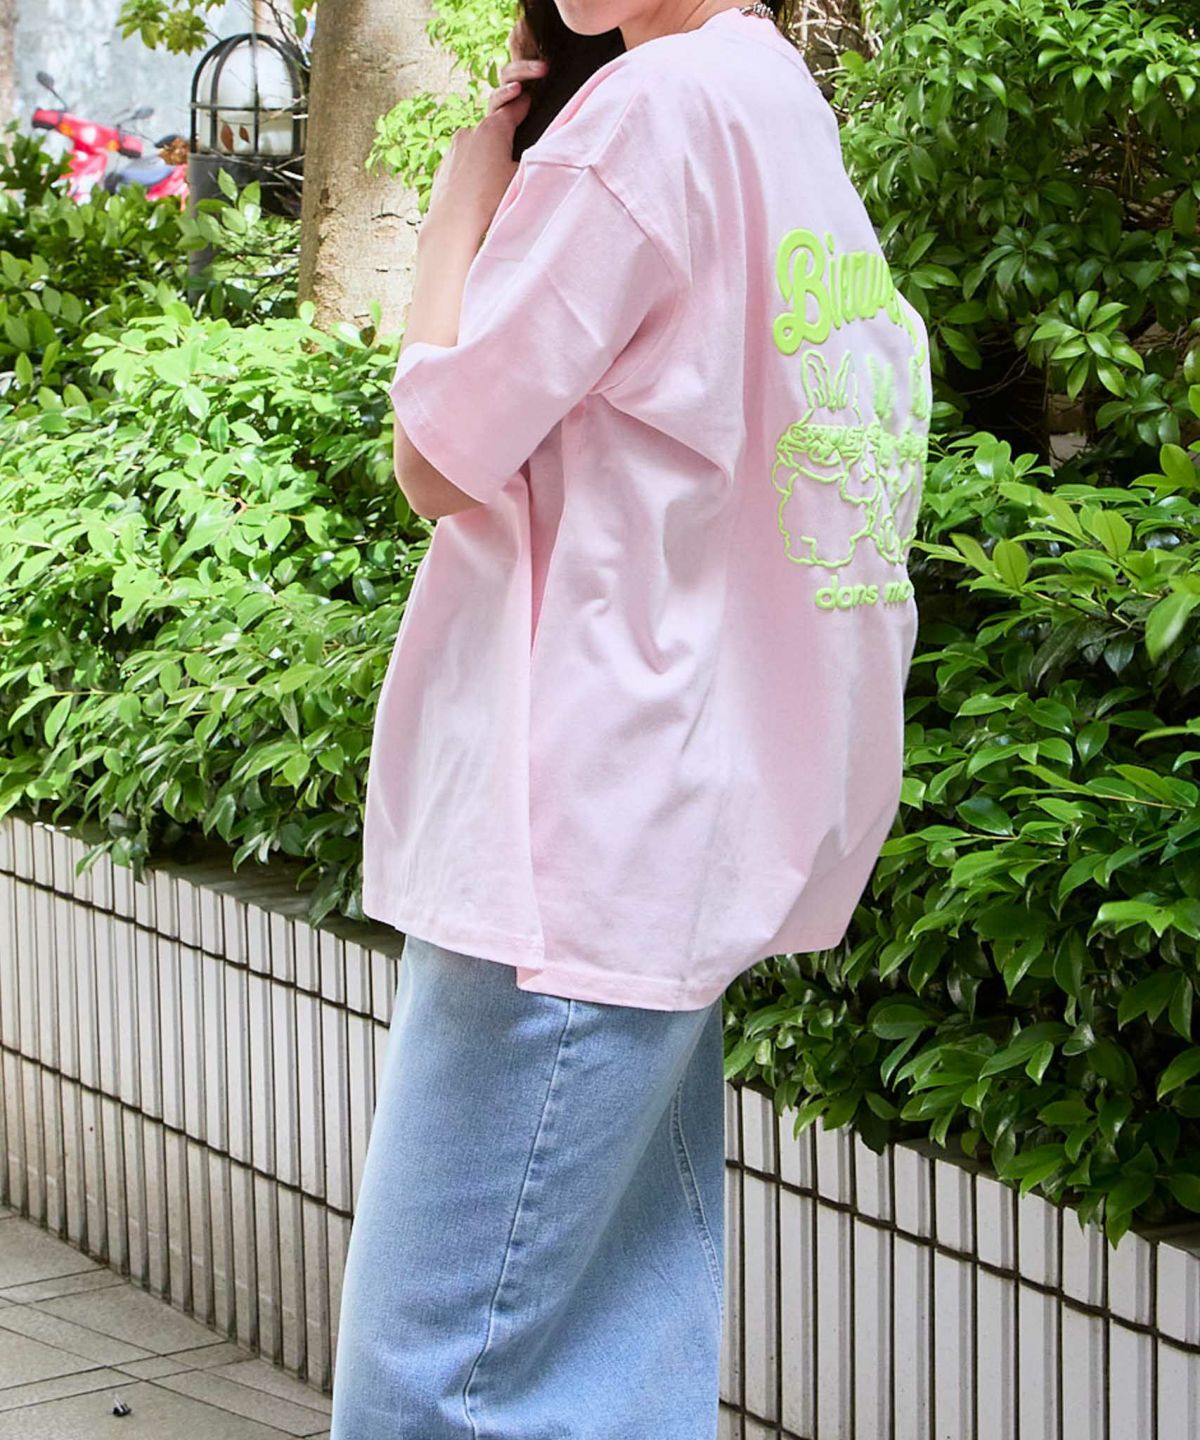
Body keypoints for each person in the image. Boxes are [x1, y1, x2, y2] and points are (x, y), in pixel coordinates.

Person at [330, 0, 932, 1435]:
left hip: (570, 845)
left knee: (429, 1378)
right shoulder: (777, 105)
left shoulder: (648, 116)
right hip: (677, 836)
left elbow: (437, 456)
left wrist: (459, 208)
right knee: (618, 1366)